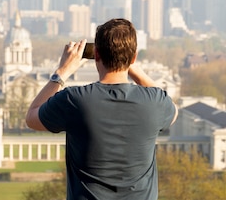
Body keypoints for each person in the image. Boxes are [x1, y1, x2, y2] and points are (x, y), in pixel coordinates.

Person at [25, 18, 178, 200]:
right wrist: (133, 68)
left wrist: (62, 72)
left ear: (96, 54)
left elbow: (32, 117)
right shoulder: (156, 102)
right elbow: (173, 111)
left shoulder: (75, 100)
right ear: (134, 57)